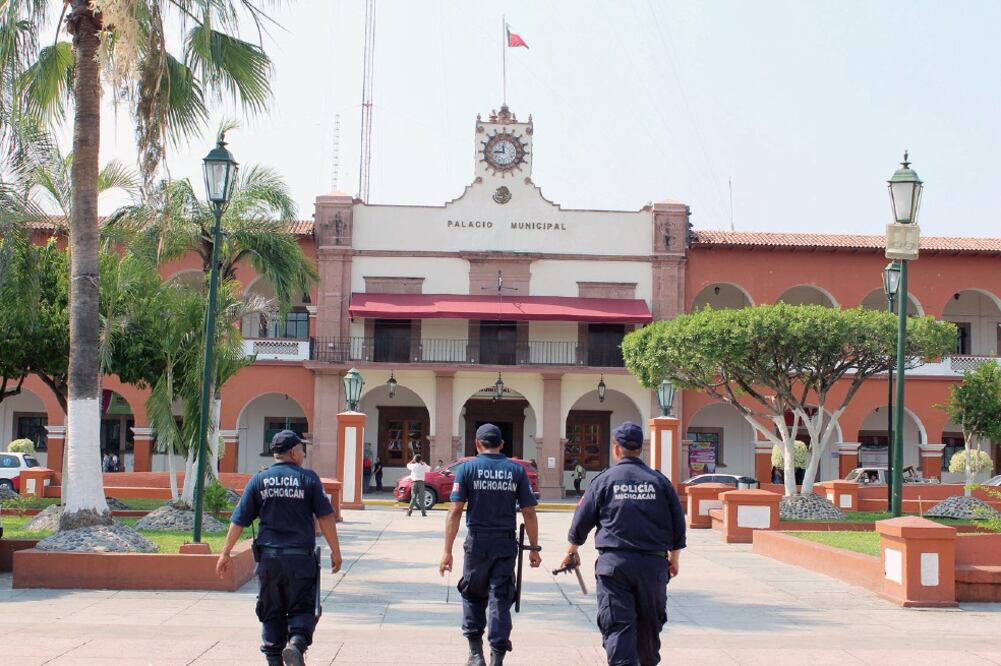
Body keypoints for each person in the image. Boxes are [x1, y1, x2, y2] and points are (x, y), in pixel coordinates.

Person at [560, 421, 686, 666]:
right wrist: (674, 559)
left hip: (614, 565)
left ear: (616, 449)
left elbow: (581, 520)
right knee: (649, 625)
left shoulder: (604, 480)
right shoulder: (660, 482)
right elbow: (677, 526)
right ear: (641, 449)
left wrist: (571, 550)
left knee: (618, 625)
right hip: (653, 565)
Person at [217, 430, 343, 666]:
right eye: (302, 450)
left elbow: (240, 520)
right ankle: (296, 644)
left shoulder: (259, 480)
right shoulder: (309, 479)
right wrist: (336, 551)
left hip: (269, 560)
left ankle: (274, 659)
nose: (303, 454)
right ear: (294, 453)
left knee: (271, 610)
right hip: (300, 560)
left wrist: (225, 552)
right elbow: (325, 517)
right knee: (303, 607)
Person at [440, 423, 541, 666]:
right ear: (502, 444)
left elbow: (455, 511)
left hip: (476, 543)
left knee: (473, 594)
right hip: (505, 543)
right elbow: (528, 512)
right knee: (501, 598)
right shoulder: (515, 471)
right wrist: (534, 549)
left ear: (476, 444)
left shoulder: (467, 469)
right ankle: (497, 655)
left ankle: (476, 654)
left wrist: (446, 551)